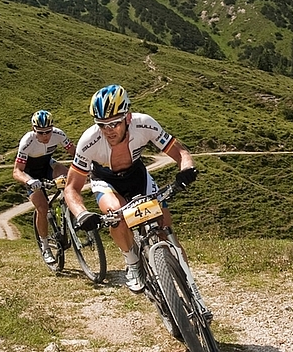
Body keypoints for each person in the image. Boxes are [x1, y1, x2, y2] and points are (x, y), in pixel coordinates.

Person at [64, 84, 199, 293]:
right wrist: (81, 214)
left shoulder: (144, 124)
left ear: (128, 117)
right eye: (102, 124)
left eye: (115, 123)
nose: (108, 130)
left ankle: (190, 289)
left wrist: (186, 169)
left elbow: (179, 151)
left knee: (165, 228)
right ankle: (132, 262)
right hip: (106, 181)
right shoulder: (88, 142)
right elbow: (71, 188)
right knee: (116, 215)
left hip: (137, 175)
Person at [13, 110, 76, 264]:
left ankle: (72, 213)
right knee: (42, 208)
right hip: (30, 173)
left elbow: (75, 154)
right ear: (34, 130)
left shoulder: (59, 135)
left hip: (47, 165)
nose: (45, 136)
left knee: (72, 179)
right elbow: (16, 171)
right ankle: (45, 246)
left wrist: (86, 168)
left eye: (48, 131)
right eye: (40, 133)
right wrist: (28, 181)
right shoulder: (27, 141)